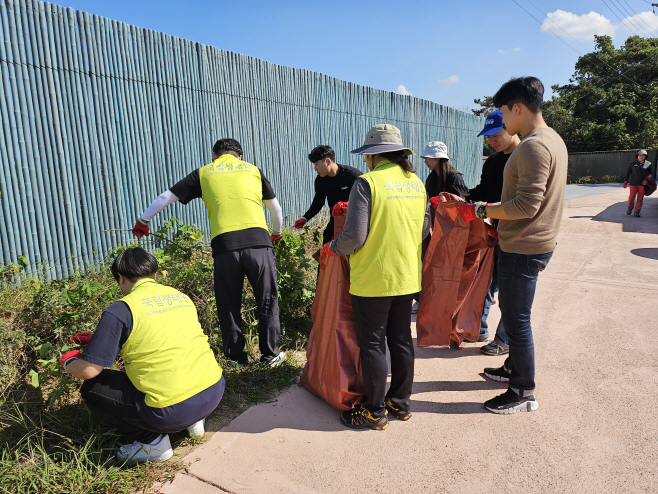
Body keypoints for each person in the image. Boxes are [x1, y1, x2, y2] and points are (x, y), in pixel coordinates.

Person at [458, 77, 567, 414]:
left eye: (503, 112)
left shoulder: (534, 146)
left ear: (516, 107)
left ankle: (523, 391)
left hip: (525, 245)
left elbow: (526, 205)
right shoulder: (551, 140)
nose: (502, 120)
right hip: (528, 242)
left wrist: (482, 211)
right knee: (514, 311)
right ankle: (512, 371)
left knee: (518, 320)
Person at [59, 247, 224, 465]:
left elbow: (88, 370)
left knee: (92, 389)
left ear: (120, 277)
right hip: (212, 392)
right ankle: (195, 423)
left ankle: (153, 443)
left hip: (172, 410)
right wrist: (101, 341)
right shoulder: (180, 296)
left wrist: (68, 360)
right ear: (154, 275)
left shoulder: (120, 310)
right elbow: (167, 338)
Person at [132, 138, 286, 367]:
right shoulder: (253, 170)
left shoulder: (204, 172)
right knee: (266, 298)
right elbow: (275, 208)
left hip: (224, 246)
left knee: (228, 301)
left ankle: (236, 358)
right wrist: (276, 233)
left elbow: (167, 197)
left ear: (214, 155)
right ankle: (270, 355)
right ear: (239, 156)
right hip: (258, 242)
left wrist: (143, 221)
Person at [325, 124, 429, 430]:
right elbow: (423, 229)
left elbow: (354, 236)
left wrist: (332, 247)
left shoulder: (366, 183)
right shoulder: (416, 183)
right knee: (400, 340)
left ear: (373, 156)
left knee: (372, 344)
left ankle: (373, 410)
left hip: (373, 279)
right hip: (407, 276)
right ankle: (400, 403)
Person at [469, 110, 520, 354]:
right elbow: (485, 190)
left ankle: (505, 340)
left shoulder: (524, 157)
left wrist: (483, 209)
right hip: (495, 232)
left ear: (511, 127)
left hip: (520, 237)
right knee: (486, 282)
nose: (492, 140)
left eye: (496, 134)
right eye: (488, 136)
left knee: (511, 292)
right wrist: (463, 198)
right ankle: (478, 328)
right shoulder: (493, 161)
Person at [411, 141, 468, 314]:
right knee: (427, 264)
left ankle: (443, 301)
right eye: (425, 158)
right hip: (433, 227)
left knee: (444, 267)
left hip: (450, 230)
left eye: (428, 158)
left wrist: (443, 203)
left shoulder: (454, 177)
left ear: (438, 158)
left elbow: (461, 204)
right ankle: (424, 299)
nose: (426, 161)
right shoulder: (432, 177)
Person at [294, 145, 362, 244]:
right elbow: (318, 202)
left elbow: (367, 197)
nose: (315, 169)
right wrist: (305, 218)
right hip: (336, 221)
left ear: (328, 161)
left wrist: (347, 205)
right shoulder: (320, 180)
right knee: (327, 240)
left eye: (317, 164)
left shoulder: (352, 175)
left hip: (356, 220)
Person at [624, 150, 652, 218]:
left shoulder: (648, 164)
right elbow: (628, 173)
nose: (641, 157)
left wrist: (647, 180)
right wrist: (625, 181)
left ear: (645, 156)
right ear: (637, 156)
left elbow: (650, 174)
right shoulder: (632, 163)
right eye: (640, 155)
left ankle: (637, 212)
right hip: (633, 183)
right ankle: (630, 207)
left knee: (640, 199)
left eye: (643, 155)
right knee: (632, 197)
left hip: (642, 185)